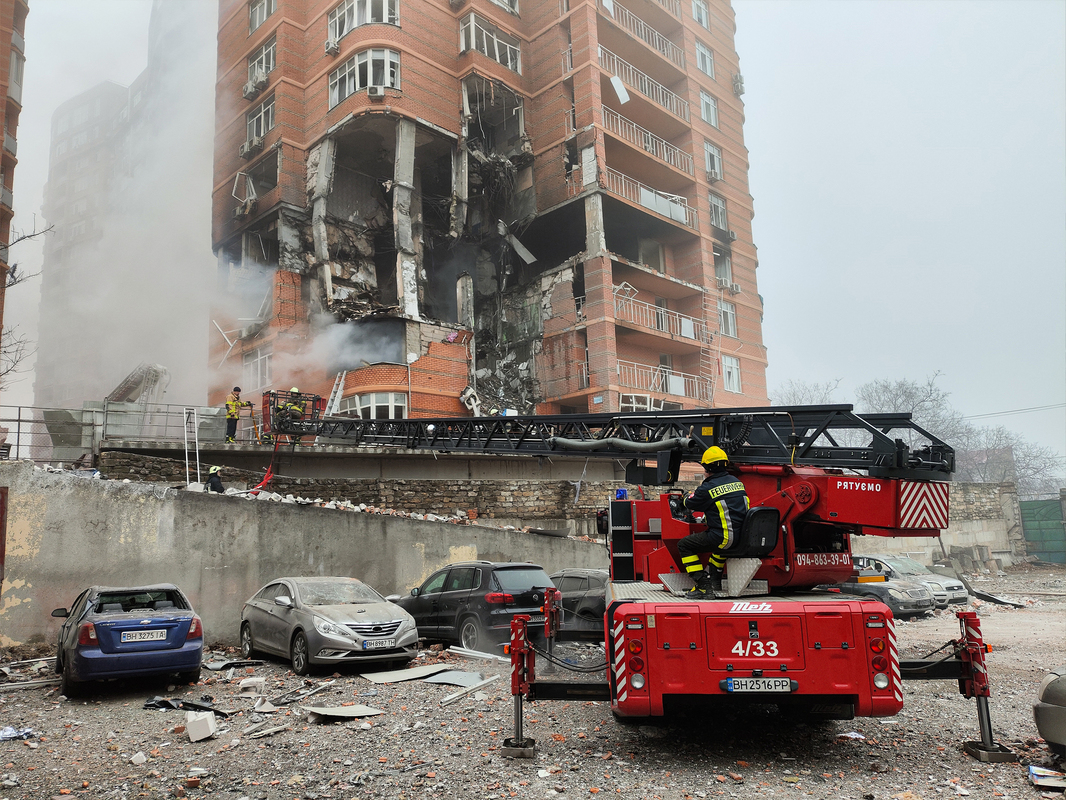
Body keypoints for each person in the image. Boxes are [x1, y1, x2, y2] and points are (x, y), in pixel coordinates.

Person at [677, 446, 749, 598]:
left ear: (707, 468)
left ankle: (703, 586)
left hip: (724, 538)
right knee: (718, 548)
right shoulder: (737, 482)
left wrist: (685, 496)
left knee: (684, 545)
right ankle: (714, 581)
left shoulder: (708, 488)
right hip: (742, 537)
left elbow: (689, 503)